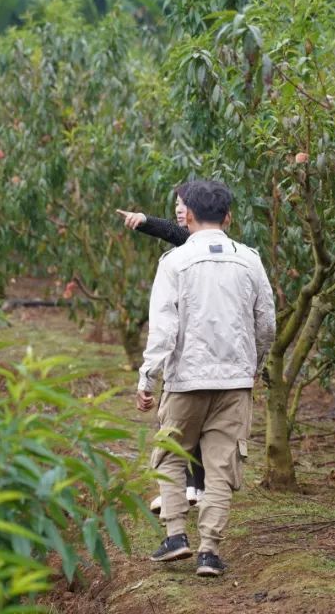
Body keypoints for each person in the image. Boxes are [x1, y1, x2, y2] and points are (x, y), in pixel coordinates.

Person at [135, 180, 276, 577]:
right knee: (221, 466)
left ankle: (176, 535)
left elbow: (163, 327)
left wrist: (148, 378)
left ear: (189, 216)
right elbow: (266, 322)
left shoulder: (174, 263)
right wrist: (255, 365)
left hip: (187, 380)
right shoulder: (250, 260)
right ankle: (209, 552)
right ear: (228, 217)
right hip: (235, 380)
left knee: (170, 453)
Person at [117, 183, 209, 511]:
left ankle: (186, 488)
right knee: (197, 424)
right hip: (207, 347)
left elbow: (175, 233)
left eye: (184, 204)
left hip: (188, 347)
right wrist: (144, 220)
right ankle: (195, 488)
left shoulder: (194, 244)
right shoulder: (214, 245)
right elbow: (175, 231)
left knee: (175, 422)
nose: (179, 210)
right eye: (177, 204)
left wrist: (145, 221)